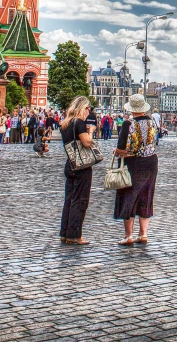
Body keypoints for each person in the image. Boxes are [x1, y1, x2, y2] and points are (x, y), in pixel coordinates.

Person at [114, 94, 159, 246]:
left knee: (129, 196)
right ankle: (143, 234)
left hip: (133, 162)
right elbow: (154, 141)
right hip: (151, 162)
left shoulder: (128, 124)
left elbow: (122, 148)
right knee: (146, 195)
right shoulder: (152, 122)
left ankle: (128, 236)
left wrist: (116, 152)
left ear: (132, 109)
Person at [59, 96, 95, 245]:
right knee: (80, 200)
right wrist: (91, 131)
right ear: (84, 108)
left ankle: (65, 233)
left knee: (69, 199)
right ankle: (75, 234)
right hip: (82, 165)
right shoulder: (79, 122)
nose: (89, 112)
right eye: (89, 109)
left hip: (70, 163)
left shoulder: (66, 123)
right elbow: (86, 142)